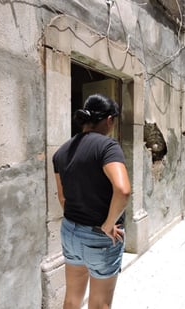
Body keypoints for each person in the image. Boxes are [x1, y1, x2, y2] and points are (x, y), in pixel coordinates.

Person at [53, 93, 131, 309]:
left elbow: (63, 198)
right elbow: (123, 190)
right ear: (109, 120)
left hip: (70, 232)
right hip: (100, 236)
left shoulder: (61, 151)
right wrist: (108, 224)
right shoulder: (107, 147)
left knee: (72, 299)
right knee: (99, 304)